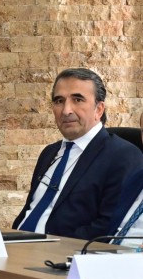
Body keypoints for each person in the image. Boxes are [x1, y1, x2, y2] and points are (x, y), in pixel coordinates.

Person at [12, 68, 143, 240]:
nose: (66, 110)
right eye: (59, 101)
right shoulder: (49, 153)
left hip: (62, 252)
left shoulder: (124, 157)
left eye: (78, 100)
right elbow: (30, 211)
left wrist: (51, 247)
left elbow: (106, 227)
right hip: (16, 245)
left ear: (99, 109)